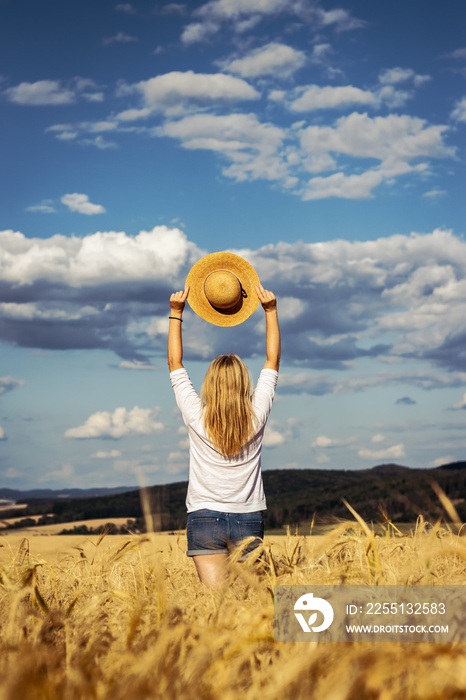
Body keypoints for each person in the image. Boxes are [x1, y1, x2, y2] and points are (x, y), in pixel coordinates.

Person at [167, 283, 280, 588]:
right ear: (245, 382)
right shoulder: (256, 414)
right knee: (246, 607)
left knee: (213, 609)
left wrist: (176, 314)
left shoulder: (196, 415)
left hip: (203, 517)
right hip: (248, 517)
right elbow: (272, 361)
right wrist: (270, 312)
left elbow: (175, 364)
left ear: (210, 385)